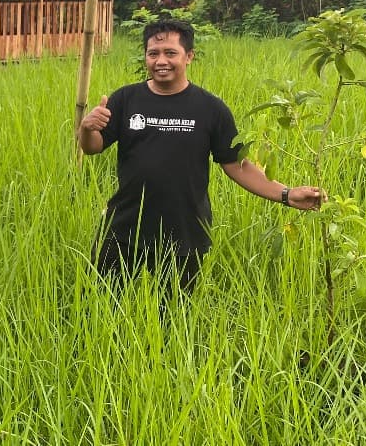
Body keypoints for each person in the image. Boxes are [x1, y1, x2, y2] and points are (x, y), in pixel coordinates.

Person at [78, 18, 324, 292]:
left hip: (184, 232)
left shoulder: (210, 109)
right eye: (153, 53)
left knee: (173, 318)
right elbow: (93, 147)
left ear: (189, 56)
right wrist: (87, 128)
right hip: (123, 227)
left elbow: (236, 165)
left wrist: (287, 194)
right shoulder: (125, 99)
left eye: (171, 53)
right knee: (103, 306)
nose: (161, 60)